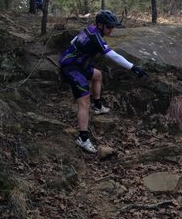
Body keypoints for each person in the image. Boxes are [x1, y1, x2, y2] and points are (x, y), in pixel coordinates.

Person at [59, 9, 147, 154]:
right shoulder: (96, 37)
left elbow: (72, 41)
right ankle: (83, 138)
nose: (112, 30)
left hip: (79, 65)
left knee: (98, 75)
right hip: (71, 68)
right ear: (100, 25)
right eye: (109, 27)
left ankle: (98, 106)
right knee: (84, 101)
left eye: (113, 27)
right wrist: (133, 67)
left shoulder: (90, 29)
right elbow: (113, 56)